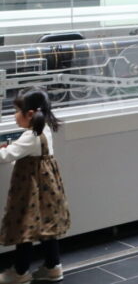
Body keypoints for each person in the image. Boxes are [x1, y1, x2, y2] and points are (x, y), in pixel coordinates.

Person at [0, 90, 70, 284]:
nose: (13, 115)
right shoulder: (45, 129)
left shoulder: (31, 136)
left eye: (16, 111)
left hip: (30, 191)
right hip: (47, 191)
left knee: (25, 228)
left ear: (29, 114)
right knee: (47, 228)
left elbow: (5, 156)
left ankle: (21, 272)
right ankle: (53, 267)